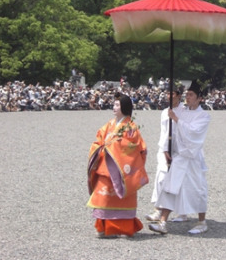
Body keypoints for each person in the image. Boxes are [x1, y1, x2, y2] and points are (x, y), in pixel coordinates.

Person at [149, 80, 211, 235]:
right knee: (170, 187)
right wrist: (166, 148)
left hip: (193, 158)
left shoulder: (203, 116)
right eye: (187, 94)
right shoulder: (181, 111)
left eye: (191, 95)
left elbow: (194, 133)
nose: (188, 97)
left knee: (197, 189)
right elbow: (171, 132)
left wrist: (176, 119)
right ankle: (163, 222)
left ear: (199, 98)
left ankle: (202, 221)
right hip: (179, 156)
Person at [87, 93, 148, 238]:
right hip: (105, 166)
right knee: (104, 198)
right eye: (114, 104)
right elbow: (99, 139)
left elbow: (136, 147)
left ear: (124, 107)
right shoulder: (109, 125)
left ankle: (124, 228)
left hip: (122, 169)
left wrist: (115, 146)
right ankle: (103, 227)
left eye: (117, 105)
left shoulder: (131, 126)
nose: (114, 107)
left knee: (122, 198)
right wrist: (101, 146)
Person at [145, 83, 187, 223]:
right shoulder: (164, 112)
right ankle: (158, 209)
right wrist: (163, 148)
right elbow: (164, 132)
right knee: (161, 176)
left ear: (179, 96)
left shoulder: (185, 111)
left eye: (172, 94)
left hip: (179, 149)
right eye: (167, 93)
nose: (169, 96)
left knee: (180, 179)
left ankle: (182, 211)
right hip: (164, 148)